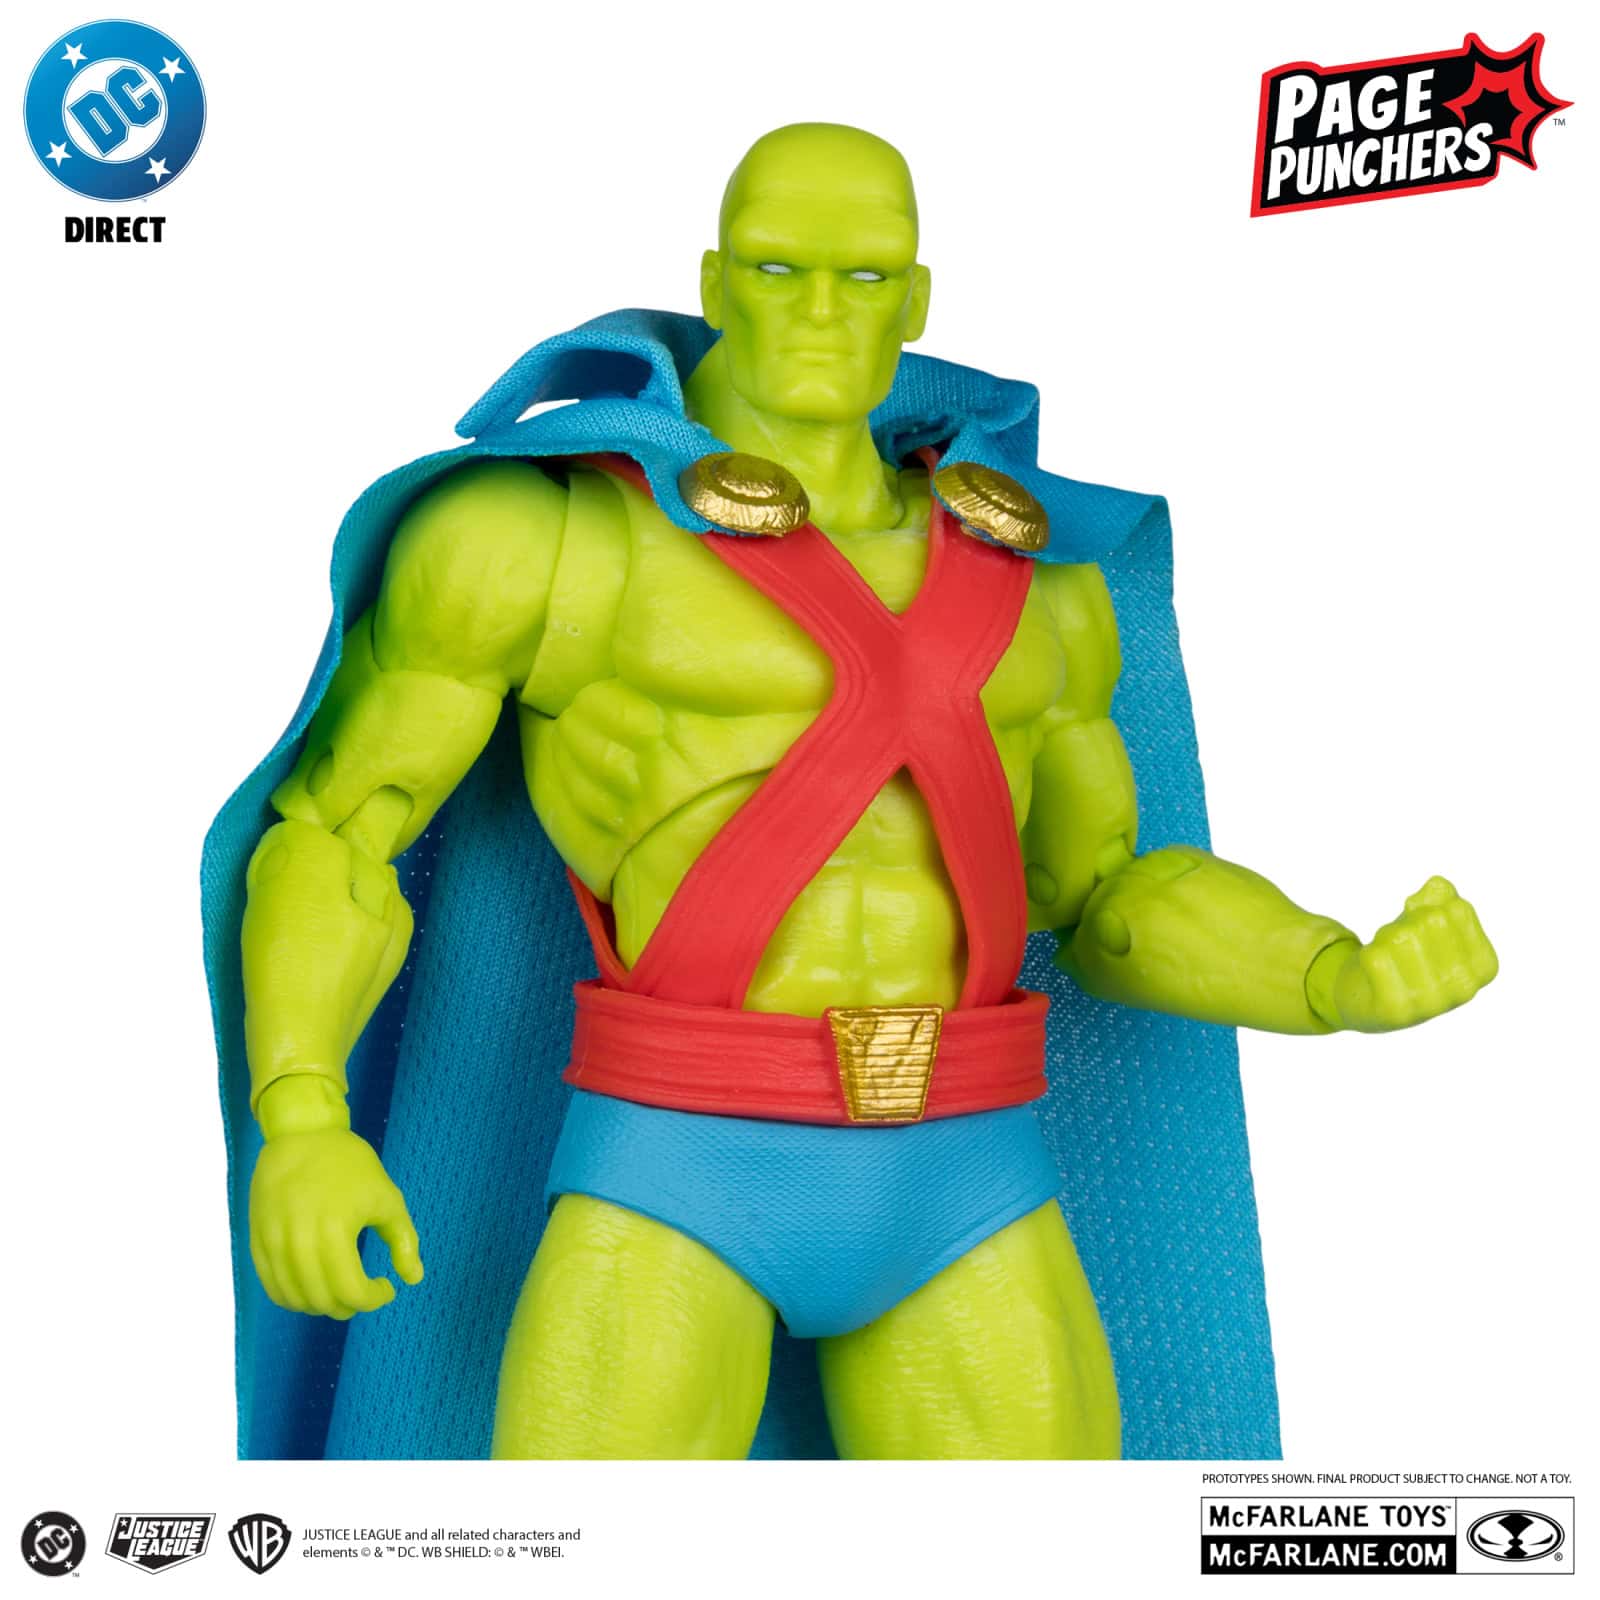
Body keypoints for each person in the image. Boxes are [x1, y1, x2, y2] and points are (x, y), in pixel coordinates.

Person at [223, 124, 1496, 1459]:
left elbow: (1108, 895)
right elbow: (337, 832)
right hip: (677, 1159)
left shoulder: (1040, 580)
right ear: (715, 281)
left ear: (916, 297)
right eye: (781, 269)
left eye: (865, 276)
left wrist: (1329, 975)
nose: (823, 310)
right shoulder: (545, 541)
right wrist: (300, 1114)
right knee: (590, 1553)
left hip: (963, 1169)